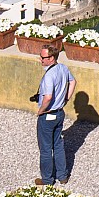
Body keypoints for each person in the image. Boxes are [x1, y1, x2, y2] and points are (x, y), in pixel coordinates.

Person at [33, 43, 75, 185]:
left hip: (48, 114)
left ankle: (47, 180)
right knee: (58, 144)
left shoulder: (49, 75)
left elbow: (48, 97)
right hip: (59, 113)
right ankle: (62, 176)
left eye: (43, 57)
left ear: (51, 58)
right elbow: (73, 82)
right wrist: (65, 99)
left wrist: (41, 110)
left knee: (45, 149)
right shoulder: (63, 68)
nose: (40, 59)